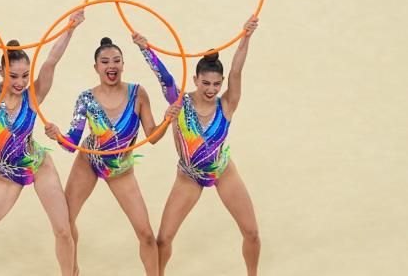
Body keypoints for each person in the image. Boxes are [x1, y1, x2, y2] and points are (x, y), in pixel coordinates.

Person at [0, 11, 84, 276]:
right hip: (6, 176)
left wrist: (70, 28)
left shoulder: (32, 96)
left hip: (37, 164)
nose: (21, 82)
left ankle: (72, 273)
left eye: (25, 76)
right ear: (2, 71)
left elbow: (50, 62)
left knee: (63, 229)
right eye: (14, 76)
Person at [137, 17, 260, 276]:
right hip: (189, 176)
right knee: (164, 239)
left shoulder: (226, 104)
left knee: (251, 232)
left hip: (222, 170)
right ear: (195, 79)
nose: (211, 89)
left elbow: (237, 72)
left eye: (217, 84)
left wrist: (245, 37)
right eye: (205, 83)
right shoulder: (180, 102)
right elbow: (164, 77)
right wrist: (145, 48)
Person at [47, 37, 179, 276]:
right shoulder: (86, 99)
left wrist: (168, 119)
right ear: (96, 67)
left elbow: (152, 136)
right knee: (66, 221)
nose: (111, 66)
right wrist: (57, 135)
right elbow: (71, 144)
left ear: (123, 64)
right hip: (89, 161)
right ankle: (72, 271)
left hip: (120, 169)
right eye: (105, 61)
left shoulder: (138, 94)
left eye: (116, 61)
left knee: (146, 235)